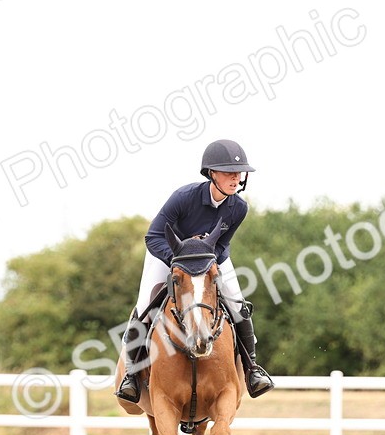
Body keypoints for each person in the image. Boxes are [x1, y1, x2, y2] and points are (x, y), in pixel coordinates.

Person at [115, 138, 274, 403]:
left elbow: (223, 245)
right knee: (144, 307)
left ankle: (252, 370)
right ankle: (131, 375)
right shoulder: (184, 197)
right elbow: (153, 237)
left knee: (238, 305)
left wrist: (207, 262)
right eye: (228, 173)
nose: (236, 178)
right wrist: (179, 260)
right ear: (212, 174)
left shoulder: (239, 208)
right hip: (166, 257)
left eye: (238, 173)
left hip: (209, 260)